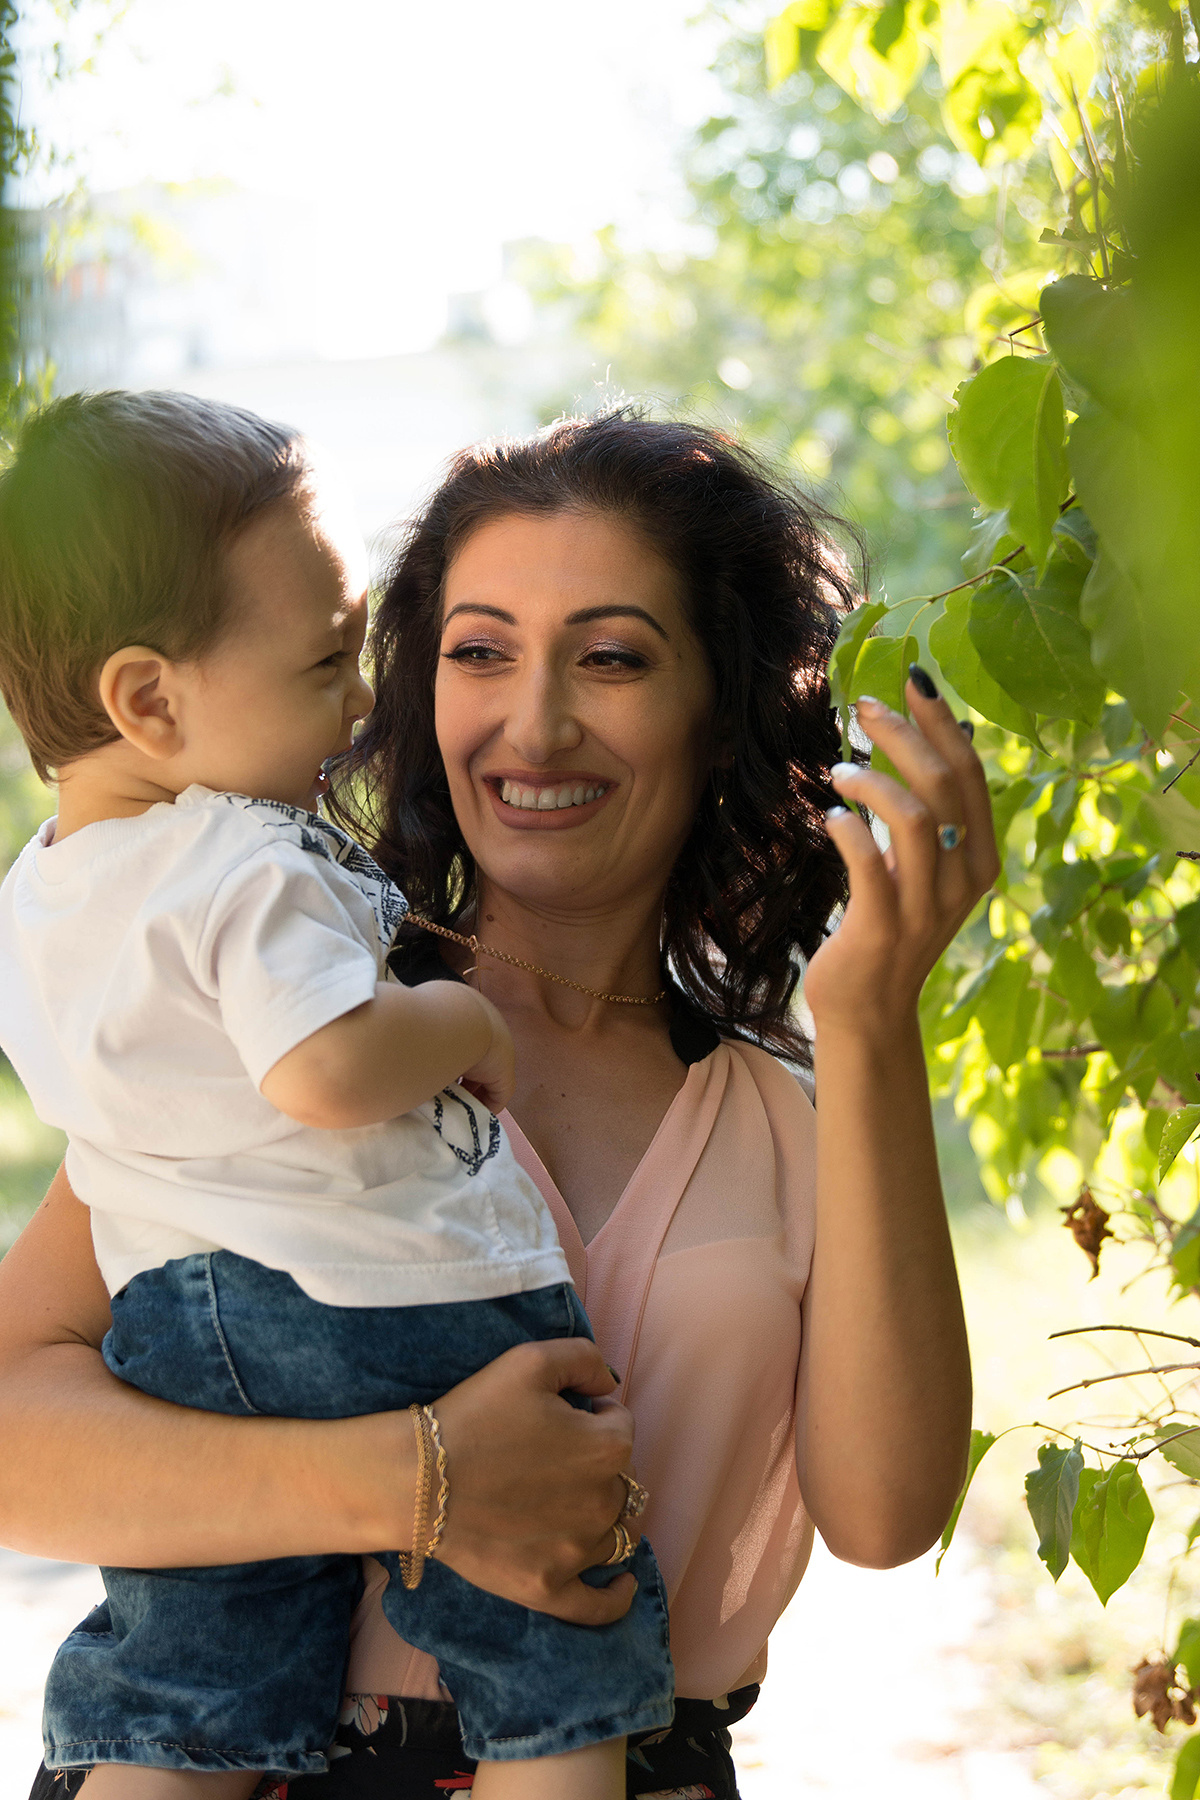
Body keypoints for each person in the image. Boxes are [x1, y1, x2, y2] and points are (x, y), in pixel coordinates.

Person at [1, 407, 996, 1800]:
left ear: (718, 704)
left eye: (612, 657)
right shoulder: (296, 1023)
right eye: (479, 653)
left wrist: (874, 1026)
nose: (535, 722)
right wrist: (412, 1482)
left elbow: (887, 1517)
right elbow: (12, 1439)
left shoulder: (790, 1111)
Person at [0, 392, 673, 1800]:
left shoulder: (39, 899)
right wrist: (455, 1015)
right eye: (323, 663)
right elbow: (324, 1070)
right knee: (554, 1633)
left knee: (186, 1672)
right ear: (148, 701)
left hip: (175, 1332)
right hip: (375, 1296)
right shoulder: (243, 860)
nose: (363, 700)